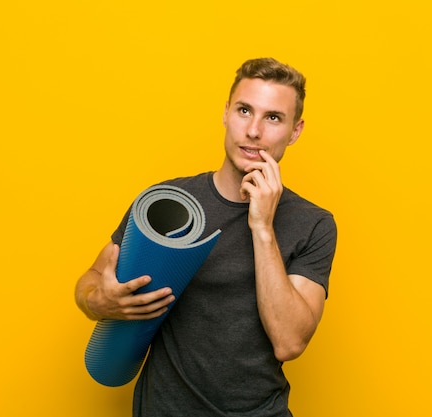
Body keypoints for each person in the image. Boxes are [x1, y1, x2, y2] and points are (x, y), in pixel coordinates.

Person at [75, 57, 337, 416]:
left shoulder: (313, 224)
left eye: (273, 117)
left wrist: (262, 226)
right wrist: (97, 301)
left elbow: (289, 341)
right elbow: (90, 280)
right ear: (226, 113)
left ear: (295, 131)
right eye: (245, 110)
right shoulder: (168, 201)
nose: (254, 131)